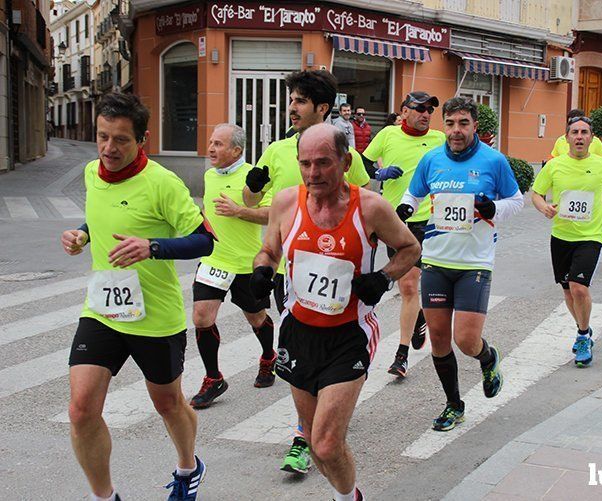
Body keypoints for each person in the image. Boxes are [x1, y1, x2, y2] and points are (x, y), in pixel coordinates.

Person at [250, 123, 420, 501]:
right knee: (311, 439)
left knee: (327, 444)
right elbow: (269, 250)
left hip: (349, 335)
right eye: (305, 163)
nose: (313, 173)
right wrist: (262, 269)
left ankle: (347, 498)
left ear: (346, 162)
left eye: (323, 163)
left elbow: (410, 248)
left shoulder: (371, 207)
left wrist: (383, 278)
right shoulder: (286, 202)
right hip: (298, 332)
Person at [60, 93, 213, 501]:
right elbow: (102, 216)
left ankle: (188, 467)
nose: (109, 149)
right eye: (103, 137)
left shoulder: (162, 182)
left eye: (121, 140)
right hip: (103, 311)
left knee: (167, 404)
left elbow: (205, 240)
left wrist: (154, 247)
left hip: (154, 317)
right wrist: (83, 234)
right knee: (80, 410)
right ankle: (105, 497)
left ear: (141, 140)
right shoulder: (93, 172)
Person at [242, 70, 371, 475]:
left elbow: (365, 204)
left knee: (331, 350)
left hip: (338, 274)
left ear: (322, 108)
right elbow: (261, 204)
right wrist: (253, 184)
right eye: (291, 100)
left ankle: (316, 435)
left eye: (300, 101)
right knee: (301, 348)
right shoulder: (277, 150)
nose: (292, 107)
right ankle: (306, 433)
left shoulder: (345, 151)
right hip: (292, 271)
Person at [396, 97, 523, 431]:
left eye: (463, 123)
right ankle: (454, 405)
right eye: (450, 123)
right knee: (439, 340)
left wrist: (495, 209)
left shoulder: (494, 161)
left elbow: (516, 200)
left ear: (475, 125)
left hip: (475, 263)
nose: (456, 130)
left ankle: (488, 357)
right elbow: (413, 193)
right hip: (436, 261)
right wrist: (405, 209)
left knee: (466, 341)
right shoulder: (432, 159)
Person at [188, 123, 276, 410]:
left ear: (237, 149)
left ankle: (268, 357)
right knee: (202, 317)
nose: (211, 148)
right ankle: (214, 378)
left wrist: (240, 211)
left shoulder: (254, 177)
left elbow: (270, 216)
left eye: (219, 144)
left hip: (246, 264)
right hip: (214, 260)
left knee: (257, 318)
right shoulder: (209, 175)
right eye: (211, 142)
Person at [362, 91, 446, 378]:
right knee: (409, 288)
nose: (425, 114)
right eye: (419, 108)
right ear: (404, 111)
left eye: (429, 111)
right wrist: (380, 174)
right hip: (395, 222)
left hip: (429, 221)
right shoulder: (387, 134)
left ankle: (402, 353)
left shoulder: (439, 140)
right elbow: (364, 163)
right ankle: (413, 329)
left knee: (414, 286)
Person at [531, 116, 602, 368]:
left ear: (592, 138)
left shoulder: (601, 165)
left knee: (579, 287)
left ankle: (582, 337)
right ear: (567, 138)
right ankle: (583, 326)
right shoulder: (554, 165)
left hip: (591, 236)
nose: (580, 136)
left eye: (584, 132)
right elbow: (536, 193)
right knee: (568, 292)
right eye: (575, 132)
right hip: (561, 236)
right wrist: (544, 208)